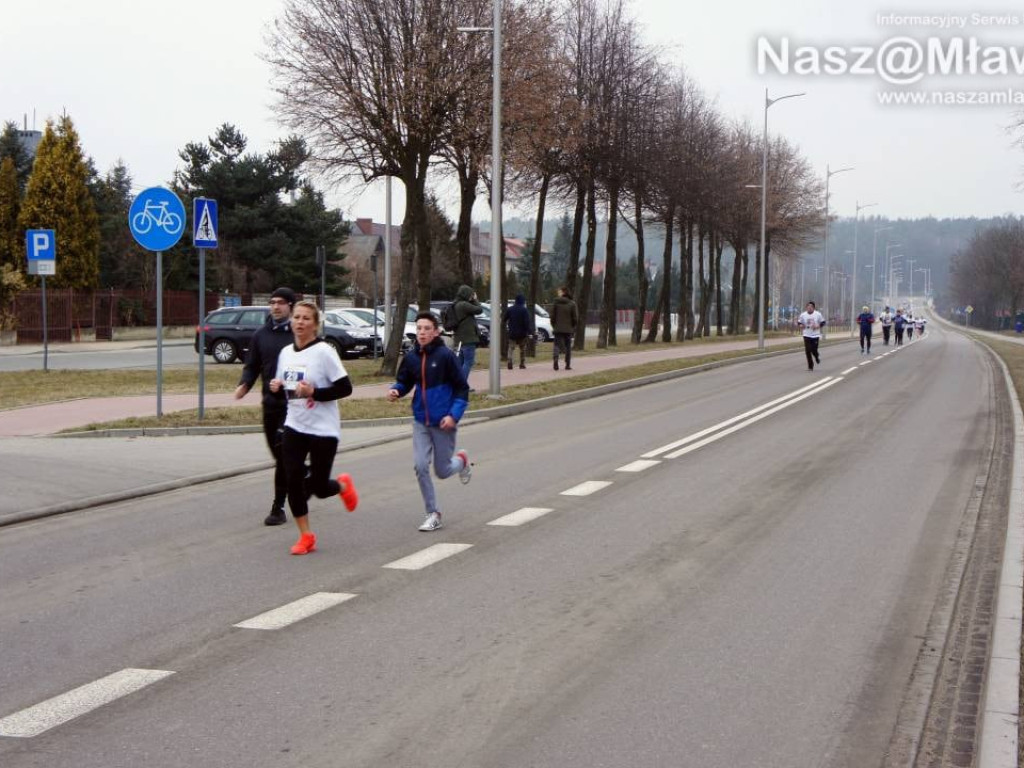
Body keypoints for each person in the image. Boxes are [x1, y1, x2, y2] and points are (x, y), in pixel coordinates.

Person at [268, 300, 359, 556]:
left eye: (306, 318)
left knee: (319, 487)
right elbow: (285, 394)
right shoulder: (286, 353)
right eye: (296, 317)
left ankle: (342, 486)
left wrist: (314, 392)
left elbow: (345, 388)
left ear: (315, 324)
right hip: (295, 425)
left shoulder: (324, 352)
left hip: (323, 429)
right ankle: (306, 536)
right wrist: (275, 388)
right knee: (292, 480)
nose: (300, 322)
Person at [388, 311, 472, 532]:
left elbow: (462, 388)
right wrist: (397, 390)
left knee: (442, 471)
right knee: (420, 466)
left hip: (443, 421)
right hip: (420, 421)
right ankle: (433, 513)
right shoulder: (411, 357)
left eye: (427, 329)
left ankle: (462, 461)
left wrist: (453, 415)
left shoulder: (446, 356)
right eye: (419, 329)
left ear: (436, 332)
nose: (422, 333)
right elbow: (404, 381)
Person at [234, 287, 297, 526]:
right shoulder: (261, 335)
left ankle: (278, 507)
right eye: (272, 302)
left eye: (281, 302)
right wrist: (244, 385)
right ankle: (302, 471)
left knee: (282, 454)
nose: (275, 306)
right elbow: (252, 366)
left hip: (294, 405)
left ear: (290, 305)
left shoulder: (298, 333)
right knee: (278, 454)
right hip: (269, 404)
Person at [452, 285, 483, 385]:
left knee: (460, 363)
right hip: (468, 339)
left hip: (459, 339)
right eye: (470, 294)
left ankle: (457, 384)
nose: (471, 296)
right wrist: (475, 299)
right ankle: (462, 384)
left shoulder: (456, 304)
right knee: (468, 362)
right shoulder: (464, 305)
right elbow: (479, 310)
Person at [551, 286, 579, 371]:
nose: (558, 293)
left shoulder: (556, 303)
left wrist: (554, 325)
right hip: (568, 329)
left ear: (563, 293)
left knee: (556, 344)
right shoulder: (572, 304)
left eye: (559, 291)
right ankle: (567, 364)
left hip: (558, 328)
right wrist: (573, 326)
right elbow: (575, 318)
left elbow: (552, 317)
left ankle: (556, 359)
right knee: (568, 346)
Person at [504, 294, 533, 370]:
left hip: (512, 332)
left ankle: (509, 361)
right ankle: (522, 363)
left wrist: (507, 326)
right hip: (522, 333)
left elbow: (504, 319)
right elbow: (527, 322)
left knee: (511, 348)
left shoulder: (510, 309)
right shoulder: (524, 310)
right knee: (522, 349)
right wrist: (530, 332)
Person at [797, 301, 825, 371]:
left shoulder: (818, 314)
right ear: (806, 307)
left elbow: (823, 322)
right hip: (806, 334)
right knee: (808, 350)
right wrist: (800, 325)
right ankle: (810, 366)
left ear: (813, 308)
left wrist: (817, 326)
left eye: (811, 307)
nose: (809, 308)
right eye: (808, 307)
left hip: (815, 335)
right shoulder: (803, 315)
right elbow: (799, 322)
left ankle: (816, 356)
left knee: (814, 349)